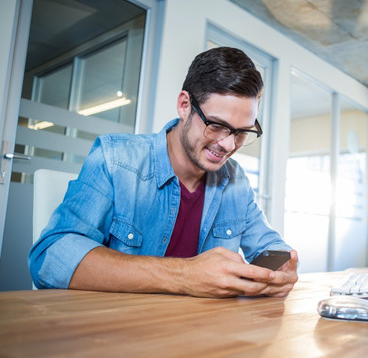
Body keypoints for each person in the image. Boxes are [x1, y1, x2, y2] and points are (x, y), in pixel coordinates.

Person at [28, 47, 298, 298]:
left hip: (203, 335)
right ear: (184, 105)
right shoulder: (115, 158)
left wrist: (283, 267)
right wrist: (184, 275)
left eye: (242, 132)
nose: (228, 145)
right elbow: (49, 256)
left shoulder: (235, 180)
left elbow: (271, 248)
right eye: (216, 125)